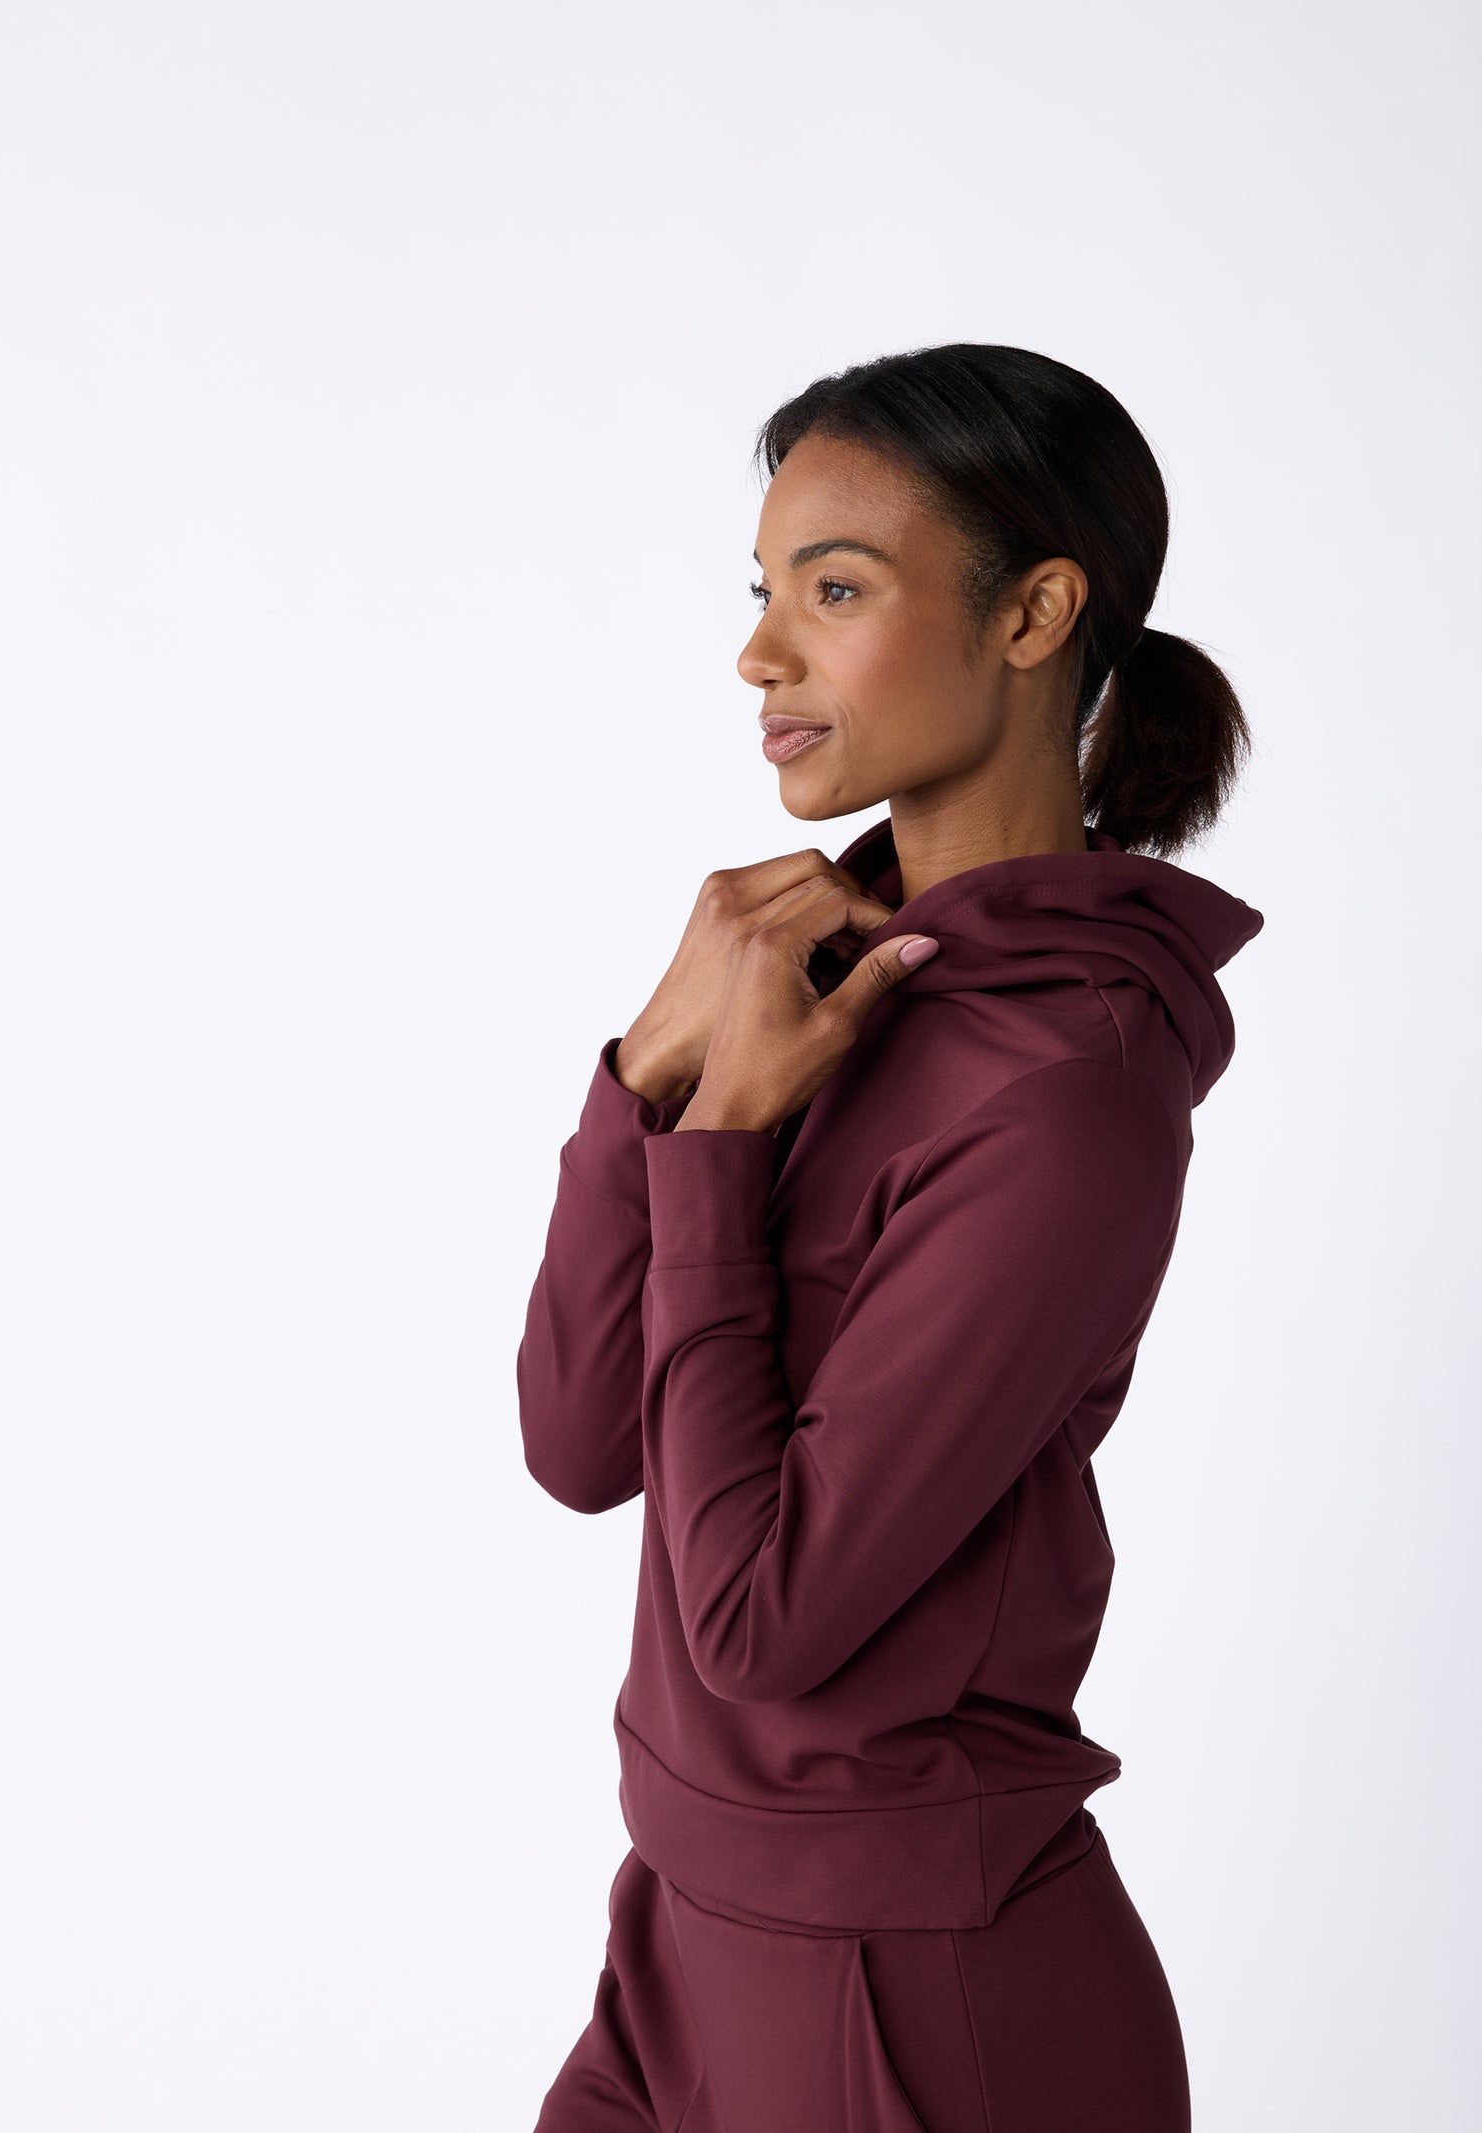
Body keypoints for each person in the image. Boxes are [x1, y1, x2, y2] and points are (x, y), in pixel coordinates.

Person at [517, 341, 1265, 2133]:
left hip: (914, 2006)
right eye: (764, 592)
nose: (762, 653)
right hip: (684, 1937)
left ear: (1035, 617)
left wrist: (725, 1147)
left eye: (835, 589)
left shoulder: (1069, 1085)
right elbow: (571, 1439)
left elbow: (767, 1621)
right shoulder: (805, 970)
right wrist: (651, 1069)